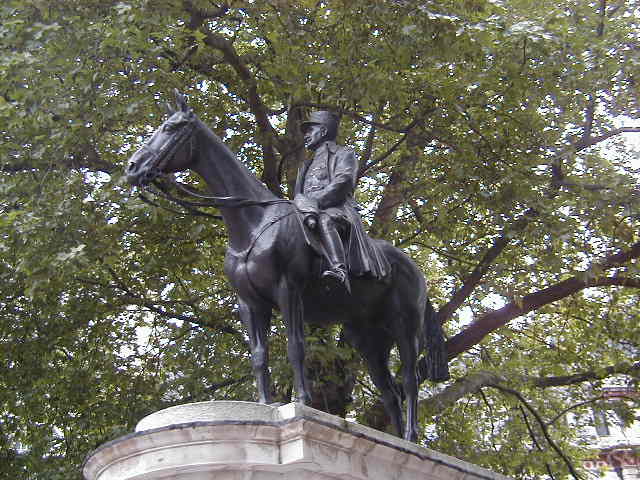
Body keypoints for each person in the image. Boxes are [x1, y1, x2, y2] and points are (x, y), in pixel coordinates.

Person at [294, 111, 390, 293]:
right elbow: (297, 195)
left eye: (310, 130)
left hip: (337, 210)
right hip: (305, 211)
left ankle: (339, 271)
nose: (305, 135)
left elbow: (343, 183)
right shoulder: (305, 166)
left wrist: (313, 202)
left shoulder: (344, 154)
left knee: (325, 221)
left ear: (323, 131)